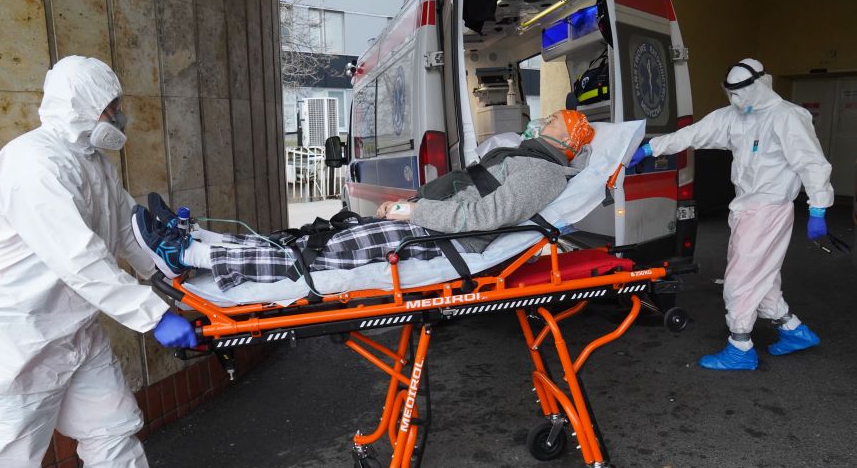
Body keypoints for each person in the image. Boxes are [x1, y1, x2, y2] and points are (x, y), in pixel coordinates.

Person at [0, 56, 199, 468]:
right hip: (8, 335)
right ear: (85, 107)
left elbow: (124, 231)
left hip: (72, 325)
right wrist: (153, 315)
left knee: (111, 423)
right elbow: (81, 259)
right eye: (112, 106)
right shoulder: (31, 164)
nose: (119, 115)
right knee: (4, 462)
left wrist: (176, 281)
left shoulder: (92, 161)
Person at [133, 110, 597, 290]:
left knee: (318, 255)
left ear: (565, 140)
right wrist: (414, 208)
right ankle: (197, 241)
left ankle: (189, 253)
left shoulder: (542, 172)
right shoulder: (529, 157)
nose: (544, 120)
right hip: (431, 228)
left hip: (440, 239)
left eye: (553, 121)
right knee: (317, 238)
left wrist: (414, 210)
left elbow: (486, 215)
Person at [629, 58, 834, 371]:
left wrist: (818, 207)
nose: (736, 99)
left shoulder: (787, 117)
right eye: (731, 92)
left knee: (740, 278)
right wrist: (649, 149)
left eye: (741, 92)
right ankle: (793, 331)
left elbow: (812, 163)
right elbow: (693, 134)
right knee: (761, 276)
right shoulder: (734, 117)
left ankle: (740, 345)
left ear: (759, 84)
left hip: (768, 208)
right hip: (746, 208)